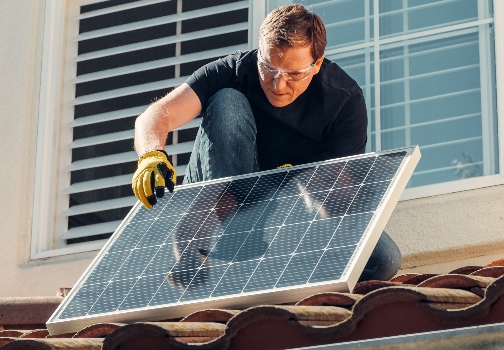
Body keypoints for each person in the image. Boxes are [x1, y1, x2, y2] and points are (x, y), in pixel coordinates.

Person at [131, 4, 400, 282]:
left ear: (317, 64)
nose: (278, 84)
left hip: (292, 211)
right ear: (259, 52)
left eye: (294, 74)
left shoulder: (343, 100)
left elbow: (345, 204)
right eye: (268, 67)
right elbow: (155, 116)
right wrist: (151, 155)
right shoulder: (233, 70)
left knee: (383, 260)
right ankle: (210, 231)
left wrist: (319, 189)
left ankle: (277, 257)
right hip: (229, 196)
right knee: (227, 100)